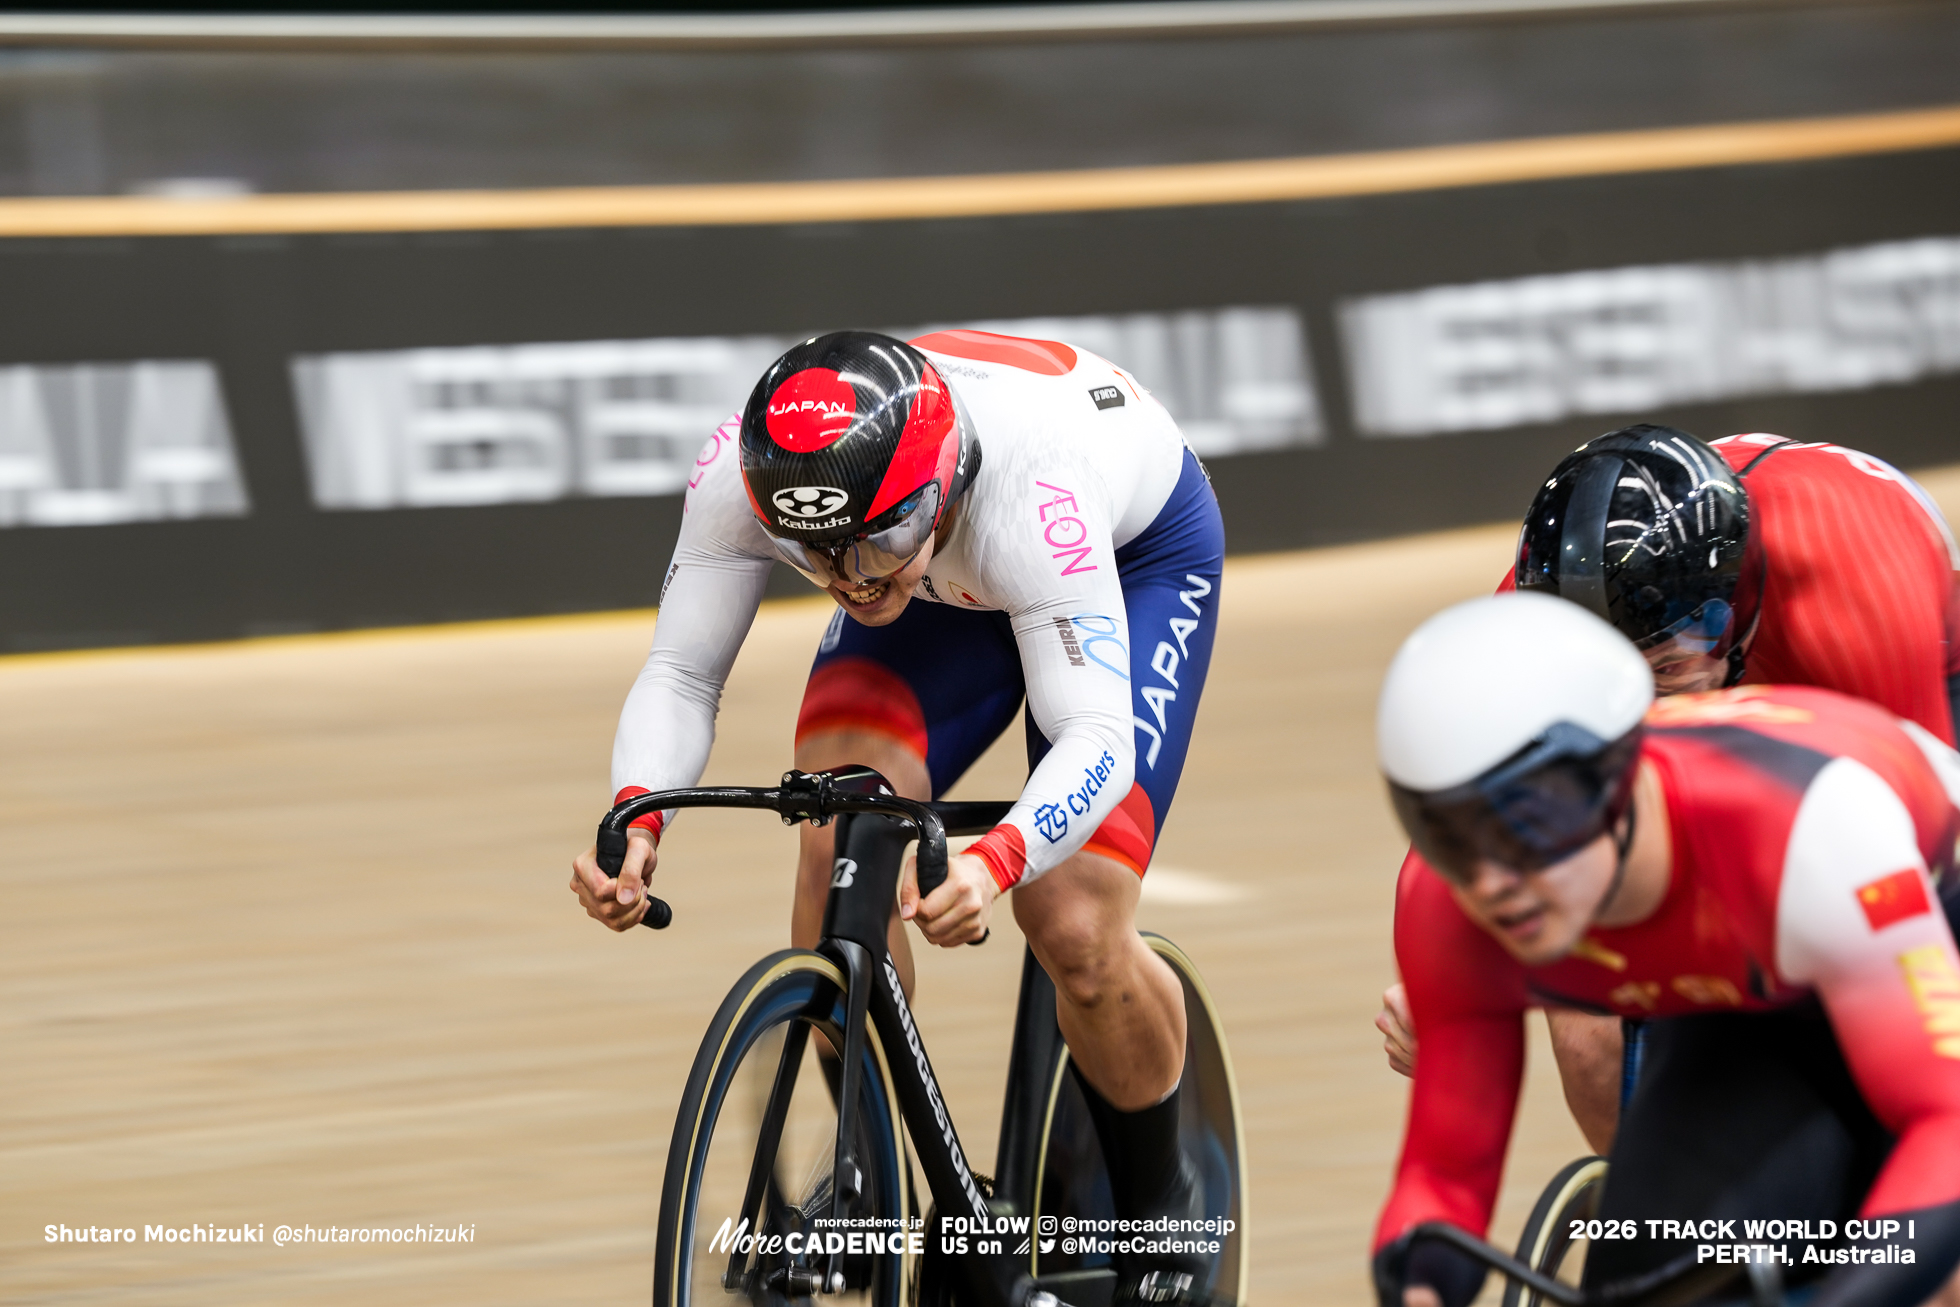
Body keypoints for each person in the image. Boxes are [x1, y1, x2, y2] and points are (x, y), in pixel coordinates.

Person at [566, 329, 1226, 1304]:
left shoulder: (1032, 491)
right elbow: (680, 669)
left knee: (1073, 920)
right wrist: (637, 819)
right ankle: (869, 1170)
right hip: (947, 572)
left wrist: (997, 859)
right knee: (840, 825)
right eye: (818, 556)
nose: (853, 581)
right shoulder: (758, 476)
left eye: (875, 545)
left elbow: (1094, 736)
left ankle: (1163, 1202)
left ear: (939, 483)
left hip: (1124, 557)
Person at [1377, 424, 1960, 1150]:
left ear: (1733, 607)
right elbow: (1465, 807)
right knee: (1584, 1012)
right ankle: (1659, 1227)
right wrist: (1428, 986)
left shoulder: (1846, 577)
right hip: (1732, 674)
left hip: (1900, 697)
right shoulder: (1539, 611)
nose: (1647, 706)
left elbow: (1929, 841)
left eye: (1665, 666)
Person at [1372, 591, 1960, 1307]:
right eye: (1449, 837)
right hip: (1757, 991)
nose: (1494, 882)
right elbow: (1445, 1178)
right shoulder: (1454, 905)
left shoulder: (1811, 835)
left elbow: (1945, 1122)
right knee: (1655, 1278)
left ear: (1621, 782)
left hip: (1912, 922)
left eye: (1527, 827)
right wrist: (1423, 1287)